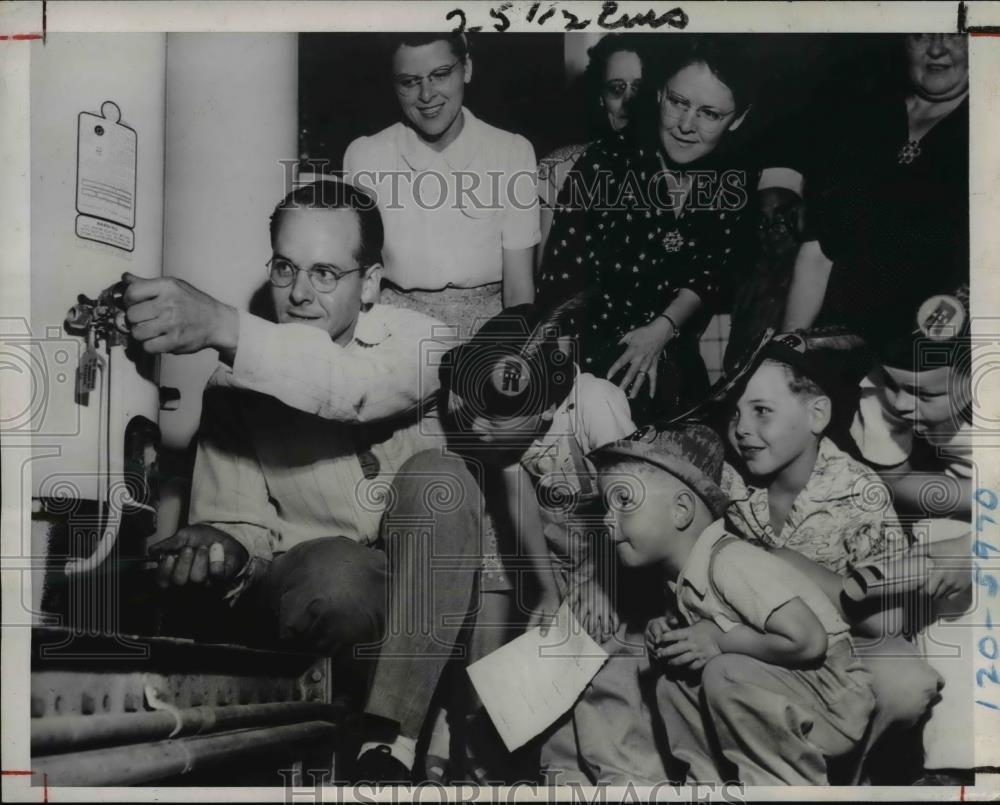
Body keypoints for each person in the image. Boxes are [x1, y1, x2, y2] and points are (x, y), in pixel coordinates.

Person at [137, 180, 488, 786]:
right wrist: (217, 551)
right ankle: (352, 741)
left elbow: (352, 390)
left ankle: (390, 743)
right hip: (320, 604)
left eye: (326, 273)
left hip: (430, 607)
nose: (298, 294)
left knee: (442, 480)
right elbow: (243, 530)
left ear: (371, 283)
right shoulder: (231, 391)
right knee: (336, 571)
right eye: (285, 268)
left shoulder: (422, 342)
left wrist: (224, 323)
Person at [720, 330, 947, 781]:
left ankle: (855, 780)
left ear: (817, 414)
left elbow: (889, 624)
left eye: (762, 411)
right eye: (735, 413)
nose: (742, 428)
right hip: (759, 643)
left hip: (848, 648)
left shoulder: (858, 491)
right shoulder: (727, 482)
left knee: (908, 683)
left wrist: (791, 564)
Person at [592, 424, 876, 785]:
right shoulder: (679, 576)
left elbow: (808, 640)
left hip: (833, 694)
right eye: (606, 505)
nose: (606, 518)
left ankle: (782, 785)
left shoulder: (731, 561)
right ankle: (709, 784)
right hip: (789, 683)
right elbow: (711, 629)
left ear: (681, 511)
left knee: (721, 671)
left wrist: (717, 641)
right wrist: (669, 632)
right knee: (671, 682)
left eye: (624, 501)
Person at [440, 298, 647, 784]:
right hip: (567, 573)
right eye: (472, 413)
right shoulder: (511, 432)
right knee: (513, 705)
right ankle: (548, 772)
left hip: (627, 567)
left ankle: (619, 770)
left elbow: (634, 506)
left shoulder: (595, 404)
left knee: (600, 670)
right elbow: (519, 498)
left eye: (492, 420)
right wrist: (550, 592)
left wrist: (604, 587)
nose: (475, 428)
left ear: (548, 407)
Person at [536, 35, 758, 425]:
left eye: (710, 114)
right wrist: (563, 392)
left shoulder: (732, 178)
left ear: (738, 118)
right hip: (588, 371)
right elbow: (561, 283)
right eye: (678, 102)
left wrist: (662, 328)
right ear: (658, 95)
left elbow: (711, 273)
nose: (687, 126)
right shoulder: (603, 165)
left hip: (673, 362)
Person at [849, 286, 975, 783]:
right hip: (964, 501)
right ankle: (958, 761)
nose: (900, 404)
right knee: (941, 554)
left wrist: (978, 545)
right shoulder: (882, 389)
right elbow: (894, 483)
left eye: (924, 394)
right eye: (892, 384)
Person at [344, 32, 539, 337]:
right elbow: (356, 280)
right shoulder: (366, 155)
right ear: (394, 85)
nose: (426, 95)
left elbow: (518, 292)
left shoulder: (512, 153)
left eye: (440, 74)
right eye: (409, 81)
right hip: (394, 331)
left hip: (491, 332)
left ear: (467, 69)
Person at [782, 34, 969, 345]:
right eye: (921, 35)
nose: (936, 49)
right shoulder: (865, 118)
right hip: (847, 347)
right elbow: (819, 250)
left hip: (942, 349)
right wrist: (788, 349)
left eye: (954, 35)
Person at [536, 34, 647, 263]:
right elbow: (543, 274)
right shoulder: (561, 169)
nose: (629, 100)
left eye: (640, 88)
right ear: (600, 98)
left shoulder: (681, 170)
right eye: (617, 88)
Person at [724, 172, 806, 370]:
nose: (770, 229)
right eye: (762, 220)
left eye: (779, 219)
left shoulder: (812, 279)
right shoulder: (748, 280)